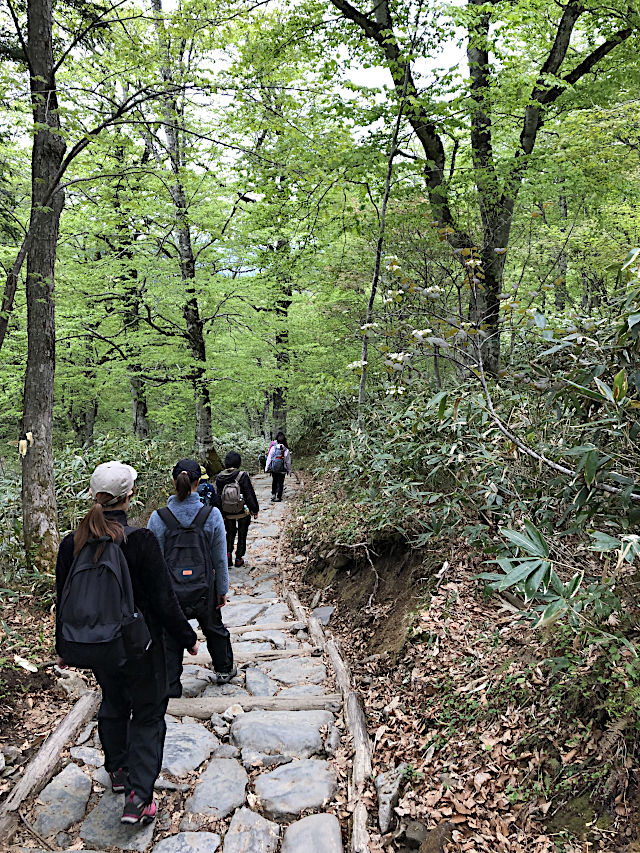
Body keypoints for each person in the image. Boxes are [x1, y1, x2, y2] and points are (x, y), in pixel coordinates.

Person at [55, 461, 199, 827]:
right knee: (149, 714)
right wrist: (188, 638)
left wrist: (63, 647)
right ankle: (139, 797)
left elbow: (64, 601)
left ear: (93, 495)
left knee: (114, 702)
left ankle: (118, 771)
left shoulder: (72, 544)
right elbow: (165, 601)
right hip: (143, 647)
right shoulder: (140, 540)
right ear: (129, 496)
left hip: (100, 646)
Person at [147, 458, 236, 696]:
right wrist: (222, 589)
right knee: (214, 628)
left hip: (170, 592)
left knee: (170, 634)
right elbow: (220, 558)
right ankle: (224, 669)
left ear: (173, 481)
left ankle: (170, 684)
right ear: (199, 482)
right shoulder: (212, 515)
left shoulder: (158, 518)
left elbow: (153, 562)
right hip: (204, 589)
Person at [215, 451, 259, 568]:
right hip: (242, 512)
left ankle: (228, 555)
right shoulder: (242, 476)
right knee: (242, 533)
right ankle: (239, 558)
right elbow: (249, 494)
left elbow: (218, 497)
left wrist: (221, 513)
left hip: (227, 513)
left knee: (229, 533)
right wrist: (254, 509)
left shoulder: (219, 477)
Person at [265, 431, 291, 502]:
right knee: (280, 482)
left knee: (274, 481)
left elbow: (269, 458)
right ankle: (279, 496)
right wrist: (289, 470)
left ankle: (273, 494)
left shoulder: (273, 448)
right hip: (282, 469)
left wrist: (266, 467)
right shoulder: (286, 450)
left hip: (274, 468)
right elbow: (288, 462)